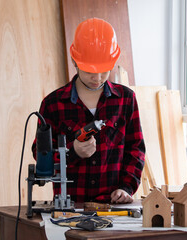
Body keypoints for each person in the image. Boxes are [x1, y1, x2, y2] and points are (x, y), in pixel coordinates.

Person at [32, 18, 145, 204]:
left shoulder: (126, 100)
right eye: (90, 71)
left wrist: (126, 187)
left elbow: (136, 149)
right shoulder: (52, 104)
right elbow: (40, 155)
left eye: (104, 71)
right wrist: (71, 151)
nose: (97, 78)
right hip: (69, 207)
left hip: (113, 207)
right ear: (74, 60)